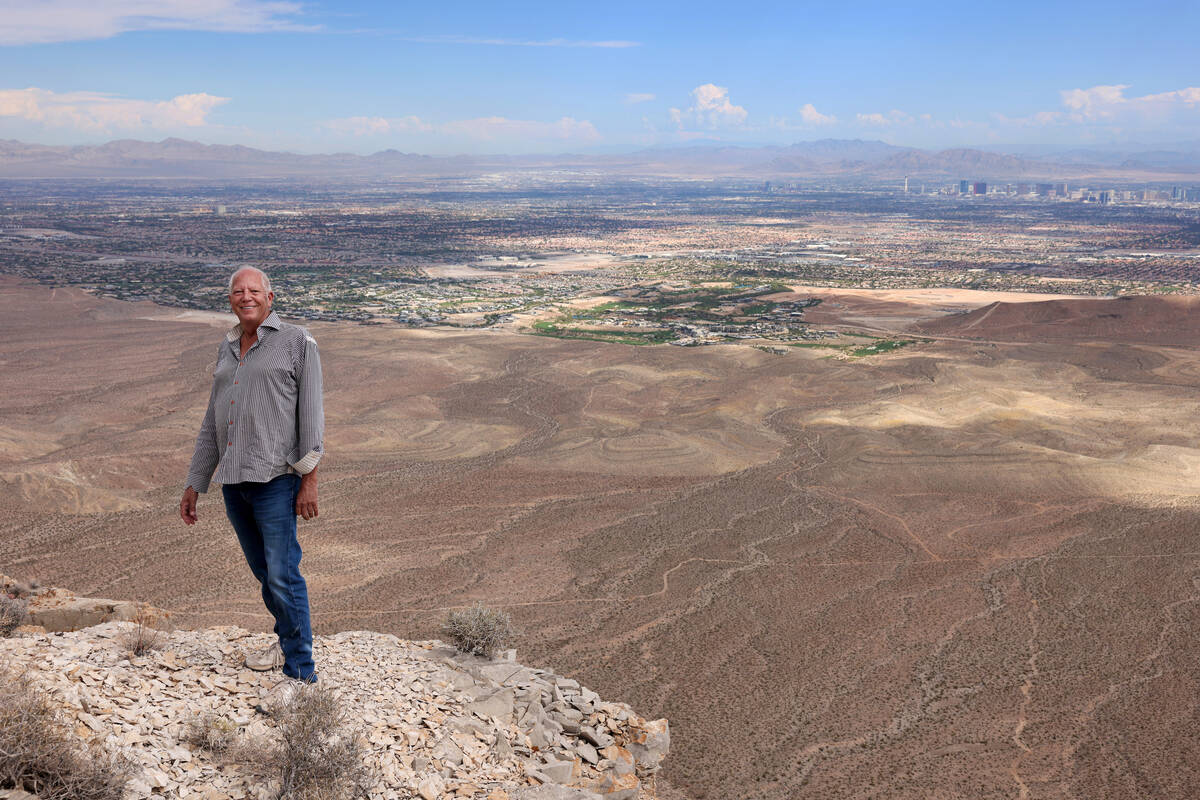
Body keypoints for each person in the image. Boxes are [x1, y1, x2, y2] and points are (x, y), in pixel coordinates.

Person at [180, 267, 323, 698]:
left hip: (276, 478)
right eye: (238, 292)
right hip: (233, 482)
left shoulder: (297, 341)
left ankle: (302, 676)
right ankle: (286, 645)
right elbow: (213, 420)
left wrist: (309, 480)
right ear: (231, 301)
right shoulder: (226, 347)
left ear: (270, 297)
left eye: (254, 291)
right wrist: (195, 481)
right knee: (265, 574)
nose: (246, 297)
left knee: (283, 574)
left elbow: (311, 416)